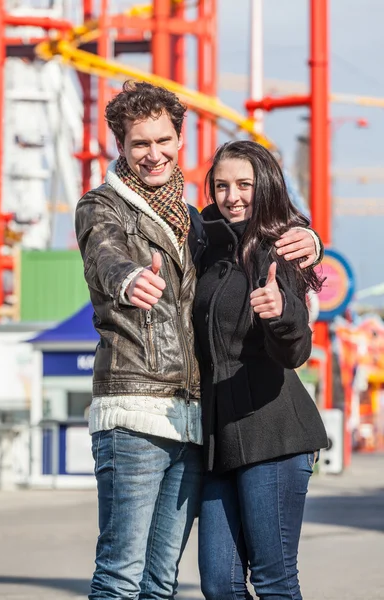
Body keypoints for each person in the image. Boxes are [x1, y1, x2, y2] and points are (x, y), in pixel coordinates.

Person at [75, 80, 323, 600]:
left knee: (212, 581)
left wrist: (309, 252)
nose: (153, 154)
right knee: (173, 580)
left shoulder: (239, 236)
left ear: (179, 140)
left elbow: (293, 343)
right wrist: (126, 278)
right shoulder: (142, 216)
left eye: (163, 141)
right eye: (140, 144)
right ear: (120, 145)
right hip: (170, 421)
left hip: (234, 427)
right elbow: (106, 253)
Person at [192, 140, 328, 600]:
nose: (232, 196)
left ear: (264, 186)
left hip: (273, 432)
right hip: (216, 440)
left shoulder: (280, 248)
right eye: (222, 185)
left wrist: (282, 313)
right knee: (219, 584)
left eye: (244, 185)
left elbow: (297, 350)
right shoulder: (203, 245)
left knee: (274, 583)